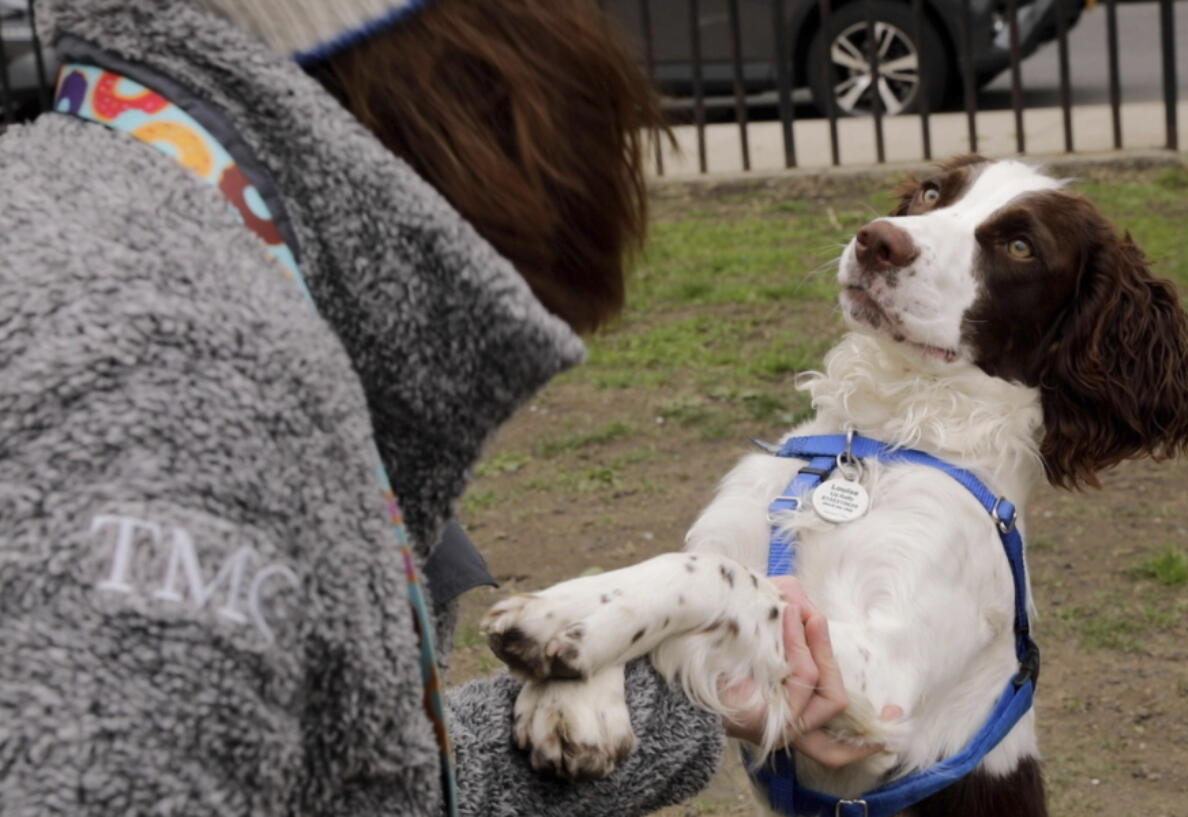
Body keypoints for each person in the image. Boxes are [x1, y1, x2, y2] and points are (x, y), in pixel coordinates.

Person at [0, 1, 873, 815]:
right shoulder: (172, 374)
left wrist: (660, 704)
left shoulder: (137, 232)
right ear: (486, 75)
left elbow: (312, 777)